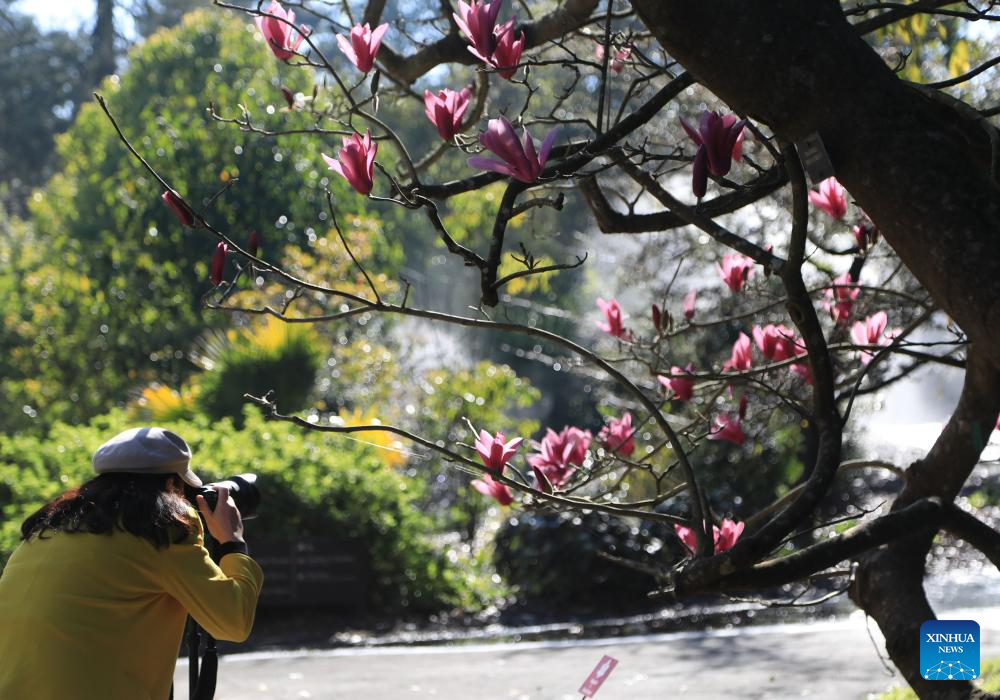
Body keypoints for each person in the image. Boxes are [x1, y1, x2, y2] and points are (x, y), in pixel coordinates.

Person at [0, 427, 263, 700]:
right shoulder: (160, 527)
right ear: (172, 484)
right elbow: (233, 622)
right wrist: (231, 541)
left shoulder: (52, 523)